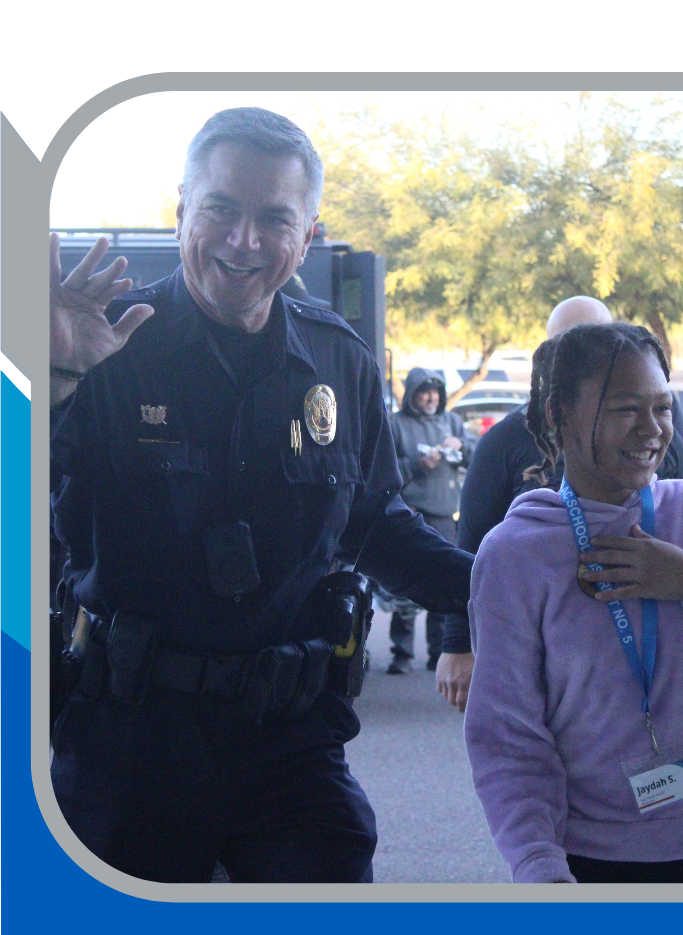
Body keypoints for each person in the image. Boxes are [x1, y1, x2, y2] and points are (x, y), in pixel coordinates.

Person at [48, 107, 474, 882]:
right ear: (183, 210)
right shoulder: (101, 343)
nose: (244, 241)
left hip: (288, 741)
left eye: (273, 218)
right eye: (221, 210)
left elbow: (374, 522)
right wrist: (54, 381)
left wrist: (502, 582)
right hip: (129, 739)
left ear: (307, 235)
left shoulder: (337, 362)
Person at [464, 323, 683, 883]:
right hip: (583, 864)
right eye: (625, 409)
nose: (652, 429)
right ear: (559, 416)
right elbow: (508, 737)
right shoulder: (517, 554)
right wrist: (538, 865)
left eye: (663, 408)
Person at [446, 296, 683, 711]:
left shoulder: (665, 438)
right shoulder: (505, 443)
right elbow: (470, 547)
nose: (649, 428)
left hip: (656, 646)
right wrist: (457, 644)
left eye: (660, 409)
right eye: (570, 346)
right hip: (549, 654)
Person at [384, 366, 471, 674]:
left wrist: (463, 445)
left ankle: (438, 653)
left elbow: (476, 454)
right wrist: (417, 465)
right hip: (410, 518)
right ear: (411, 395)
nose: (431, 397)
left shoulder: (453, 422)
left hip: (446, 518)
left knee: (444, 588)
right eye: (424, 391)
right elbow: (384, 468)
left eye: (436, 391)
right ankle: (402, 655)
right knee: (406, 589)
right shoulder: (396, 424)